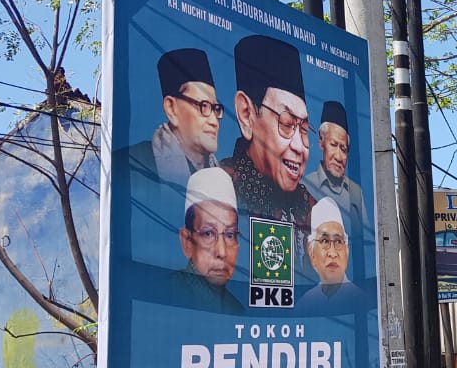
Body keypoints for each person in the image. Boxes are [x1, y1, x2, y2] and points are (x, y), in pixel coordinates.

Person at [220, 35, 316, 233]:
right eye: (286, 123)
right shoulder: (218, 190)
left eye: (304, 130)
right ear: (246, 114)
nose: (299, 146)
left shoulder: (310, 209)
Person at [130, 48, 223, 185]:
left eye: (216, 109)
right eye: (203, 106)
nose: (214, 121)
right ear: (171, 108)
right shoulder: (134, 164)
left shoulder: (223, 178)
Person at [171, 167, 244, 313]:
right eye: (208, 234)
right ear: (187, 242)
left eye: (230, 235)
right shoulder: (167, 295)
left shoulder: (236, 310)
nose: (222, 252)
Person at [302, 101, 368, 234]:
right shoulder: (305, 186)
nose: (338, 157)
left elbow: (365, 236)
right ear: (321, 141)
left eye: (343, 149)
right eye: (333, 145)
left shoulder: (355, 193)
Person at [299, 197, 364, 312]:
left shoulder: (361, 300)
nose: (333, 253)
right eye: (325, 241)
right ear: (311, 252)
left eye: (338, 241)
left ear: (347, 251)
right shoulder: (305, 302)